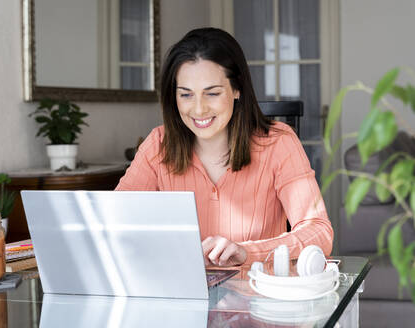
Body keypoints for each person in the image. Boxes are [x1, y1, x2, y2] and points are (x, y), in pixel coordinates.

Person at [116, 27, 333, 268]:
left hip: (257, 299)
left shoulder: (278, 142)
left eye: (212, 93)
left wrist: (247, 252)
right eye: (186, 95)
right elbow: (115, 224)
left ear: (237, 89)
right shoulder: (158, 144)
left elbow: (319, 232)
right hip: (181, 298)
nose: (198, 110)